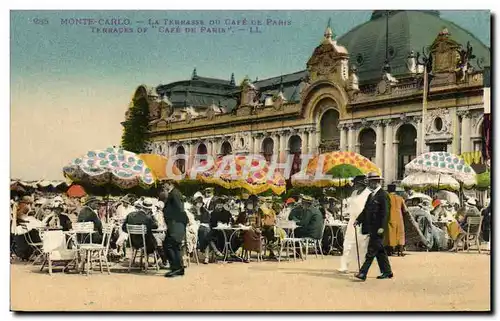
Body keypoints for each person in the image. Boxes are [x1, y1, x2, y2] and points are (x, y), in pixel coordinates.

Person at [354, 172, 393, 281]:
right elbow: (365, 210)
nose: (369, 184)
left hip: (378, 228)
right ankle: (387, 272)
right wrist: (358, 220)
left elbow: (385, 213)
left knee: (371, 251)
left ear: (376, 182)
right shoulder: (371, 195)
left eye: (371, 182)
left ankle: (363, 273)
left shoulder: (383, 195)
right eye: (369, 182)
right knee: (379, 251)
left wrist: (382, 227)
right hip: (371, 228)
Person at [338, 175, 371, 273]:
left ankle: (360, 266)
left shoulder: (368, 194)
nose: (354, 185)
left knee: (361, 244)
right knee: (347, 242)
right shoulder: (354, 193)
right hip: (352, 220)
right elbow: (350, 206)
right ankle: (344, 265)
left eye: (356, 183)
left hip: (362, 222)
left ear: (362, 184)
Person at [160, 180, 188, 277]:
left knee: (171, 245)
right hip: (174, 224)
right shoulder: (173, 193)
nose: (163, 185)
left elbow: (179, 209)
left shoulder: (175, 194)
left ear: (170, 184)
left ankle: (176, 268)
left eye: (164, 183)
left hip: (176, 224)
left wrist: (171, 218)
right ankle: (178, 268)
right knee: (171, 245)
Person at [385, 184, 407, 256]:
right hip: (399, 218)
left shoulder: (386, 197)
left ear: (388, 190)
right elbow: (405, 210)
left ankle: (389, 250)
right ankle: (400, 250)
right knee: (399, 233)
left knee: (390, 234)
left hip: (390, 217)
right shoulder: (400, 198)